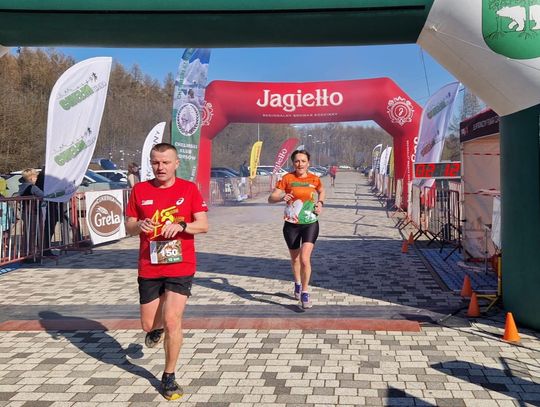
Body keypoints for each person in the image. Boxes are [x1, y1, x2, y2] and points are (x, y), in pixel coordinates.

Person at [125, 143, 208, 401]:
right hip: (149, 265)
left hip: (180, 265)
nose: (160, 167)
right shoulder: (140, 190)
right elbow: (129, 226)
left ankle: (169, 376)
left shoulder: (189, 189)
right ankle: (156, 329)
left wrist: (182, 225)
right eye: (156, 162)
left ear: (176, 164)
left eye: (166, 162)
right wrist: (139, 225)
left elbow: (203, 225)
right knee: (149, 324)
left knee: (173, 320)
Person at [268, 149, 325, 309]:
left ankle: (305, 293)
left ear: (308, 163)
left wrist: (320, 203)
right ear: (293, 163)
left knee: (305, 259)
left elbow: (321, 191)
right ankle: (298, 283)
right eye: (297, 161)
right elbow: (271, 198)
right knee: (295, 259)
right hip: (291, 225)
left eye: (303, 161)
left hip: (310, 223)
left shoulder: (314, 179)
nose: (300, 164)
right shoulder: (287, 178)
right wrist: (281, 197)